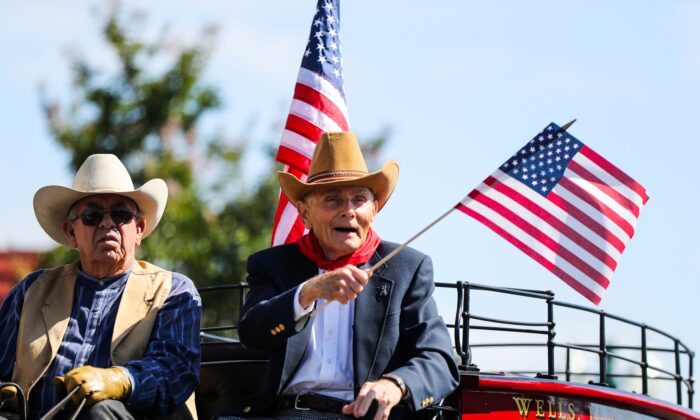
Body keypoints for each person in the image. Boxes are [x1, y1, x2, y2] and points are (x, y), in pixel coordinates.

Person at [219, 132, 459, 419]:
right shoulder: (273, 264)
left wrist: (395, 385)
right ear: (305, 214)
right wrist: (307, 292)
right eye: (332, 200)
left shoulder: (407, 267)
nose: (348, 212)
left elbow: (439, 359)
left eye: (359, 200)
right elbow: (252, 332)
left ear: (374, 209)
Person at [0, 154, 201, 419]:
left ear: (138, 229)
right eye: (93, 215)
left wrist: (121, 381)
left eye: (120, 214)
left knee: (102, 412)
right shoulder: (30, 291)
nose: (107, 223)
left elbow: (174, 371)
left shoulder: (174, 291)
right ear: (71, 232)